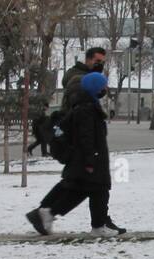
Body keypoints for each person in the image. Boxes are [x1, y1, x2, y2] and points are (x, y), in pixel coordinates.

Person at [26, 72, 126, 238]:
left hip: (87, 159)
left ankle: (47, 213)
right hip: (88, 159)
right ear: (95, 88)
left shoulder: (85, 105)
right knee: (92, 189)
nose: (105, 89)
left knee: (82, 189)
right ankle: (95, 225)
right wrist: (90, 159)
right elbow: (86, 137)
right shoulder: (86, 109)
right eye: (103, 86)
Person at [62, 47, 107, 112]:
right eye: (98, 61)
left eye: (103, 63)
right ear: (88, 60)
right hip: (74, 116)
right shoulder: (74, 73)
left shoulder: (90, 75)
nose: (100, 65)